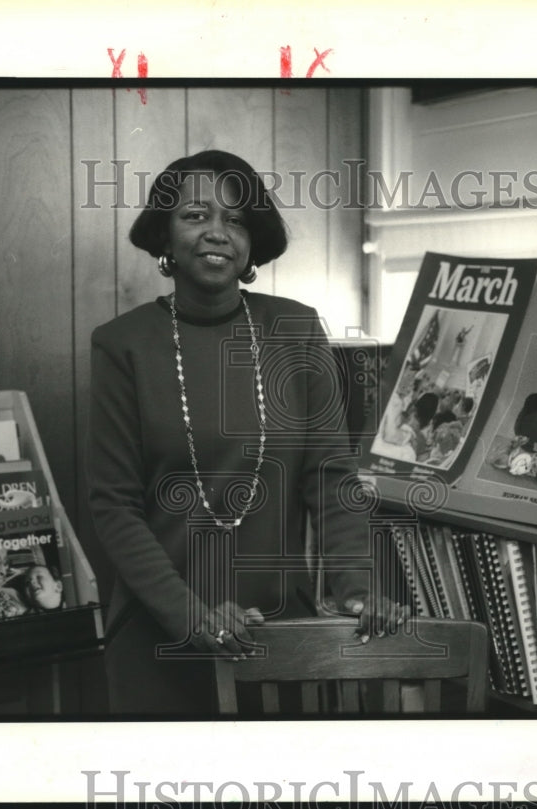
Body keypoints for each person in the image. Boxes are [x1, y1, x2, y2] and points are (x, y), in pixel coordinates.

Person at [87, 150, 407, 715]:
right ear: (165, 232)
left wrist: (354, 586)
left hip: (278, 629)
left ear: (252, 239)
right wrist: (191, 615)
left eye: (235, 220)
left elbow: (331, 476)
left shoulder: (296, 328)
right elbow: (113, 504)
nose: (217, 233)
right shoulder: (122, 344)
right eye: (194, 216)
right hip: (160, 630)